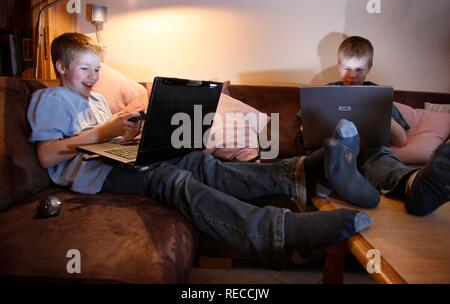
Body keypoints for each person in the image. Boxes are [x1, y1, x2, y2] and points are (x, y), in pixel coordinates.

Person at [28, 32, 373, 267]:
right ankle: (281, 231)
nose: (93, 76)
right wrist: (105, 131)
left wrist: (133, 135)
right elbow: (47, 155)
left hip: (116, 161)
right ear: (61, 66)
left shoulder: (99, 99)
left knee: (194, 159)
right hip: (94, 176)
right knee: (172, 179)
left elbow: (106, 141)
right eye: (85, 69)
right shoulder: (51, 98)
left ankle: (302, 172)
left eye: (97, 69)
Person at [322, 36, 449, 216]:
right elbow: (305, 133)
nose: (352, 75)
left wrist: (378, 112)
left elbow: (402, 141)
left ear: (369, 69)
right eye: (347, 68)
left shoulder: (379, 95)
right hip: (336, 151)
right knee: (332, 155)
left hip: (371, 152)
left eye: (359, 69)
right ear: (338, 66)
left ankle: (416, 185)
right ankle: (344, 182)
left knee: (383, 161)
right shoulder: (326, 92)